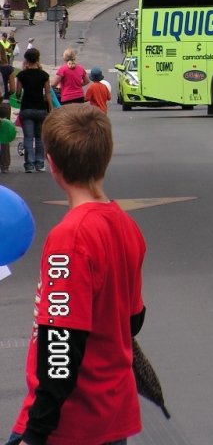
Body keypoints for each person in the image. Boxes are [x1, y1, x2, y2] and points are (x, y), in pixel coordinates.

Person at [6, 105, 147, 445]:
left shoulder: (70, 237)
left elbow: (60, 345)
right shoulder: (126, 226)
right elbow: (133, 319)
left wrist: (35, 433)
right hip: (112, 414)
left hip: (69, 425)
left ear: (52, 164)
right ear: (106, 158)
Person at [15, 47, 52, 173]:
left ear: (26, 60)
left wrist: (19, 95)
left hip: (26, 108)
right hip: (40, 108)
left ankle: (29, 164)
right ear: (38, 59)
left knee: (28, 138)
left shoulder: (21, 75)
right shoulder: (44, 75)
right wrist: (50, 110)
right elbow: (47, 94)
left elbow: (18, 93)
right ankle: (40, 163)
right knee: (40, 138)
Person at [0, 46, 15, 174]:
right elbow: (13, 89)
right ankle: (4, 165)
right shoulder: (8, 69)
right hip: (4, 103)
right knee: (4, 135)